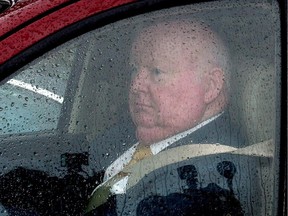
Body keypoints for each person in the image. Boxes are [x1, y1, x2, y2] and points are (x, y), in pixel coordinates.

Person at [86, 19, 265, 216]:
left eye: (157, 71)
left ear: (211, 86)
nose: (136, 85)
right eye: (135, 69)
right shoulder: (131, 133)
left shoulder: (207, 181)